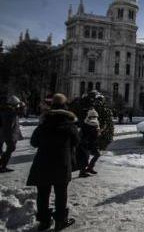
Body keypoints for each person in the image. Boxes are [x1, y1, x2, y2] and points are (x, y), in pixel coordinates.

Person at [26, 93, 78, 230]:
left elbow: (34, 142)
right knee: (61, 193)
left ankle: (44, 221)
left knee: (43, 194)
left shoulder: (44, 123)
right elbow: (76, 142)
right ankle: (60, 221)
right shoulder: (70, 124)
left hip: (43, 163)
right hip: (62, 163)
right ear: (65, 106)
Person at [0, 95, 23, 173]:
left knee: (10, 149)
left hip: (7, 134)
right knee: (11, 148)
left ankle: (2, 165)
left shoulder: (8, 110)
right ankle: (2, 165)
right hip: (9, 135)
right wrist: (10, 137)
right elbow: (9, 126)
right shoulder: (10, 112)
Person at [78, 109, 102, 178]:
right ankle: (82, 172)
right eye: (93, 116)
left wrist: (98, 132)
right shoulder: (85, 124)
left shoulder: (96, 123)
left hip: (93, 142)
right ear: (89, 116)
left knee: (97, 154)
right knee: (85, 158)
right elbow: (82, 134)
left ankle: (90, 168)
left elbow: (96, 134)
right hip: (86, 143)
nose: (94, 118)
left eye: (95, 116)